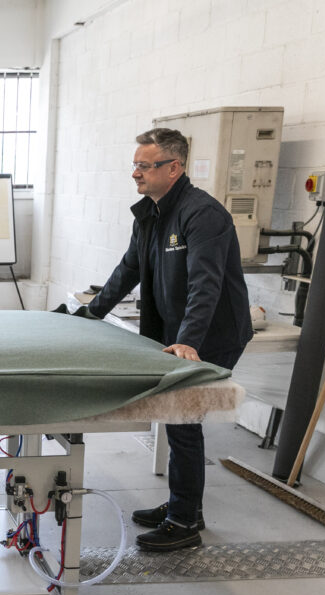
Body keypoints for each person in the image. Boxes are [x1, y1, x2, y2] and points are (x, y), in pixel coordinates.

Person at [87, 128, 253, 552]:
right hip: (173, 331)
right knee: (177, 421)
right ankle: (185, 505)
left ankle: (184, 522)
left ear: (173, 167)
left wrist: (188, 341)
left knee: (182, 420)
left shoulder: (204, 214)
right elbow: (128, 269)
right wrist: (90, 315)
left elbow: (206, 284)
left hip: (210, 334)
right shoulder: (150, 212)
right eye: (136, 165)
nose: (135, 174)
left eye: (145, 166)